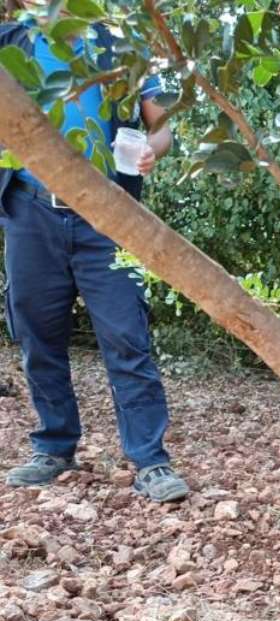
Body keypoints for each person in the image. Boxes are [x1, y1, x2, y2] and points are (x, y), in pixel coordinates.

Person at [0, 3, 188, 501]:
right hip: (29, 211)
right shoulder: (10, 44)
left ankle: (150, 460)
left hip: (108, 212)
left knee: (127, 334)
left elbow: (163, 126)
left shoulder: (122, 43)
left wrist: (154, 148)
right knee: (37, 334)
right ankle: (55, 446)